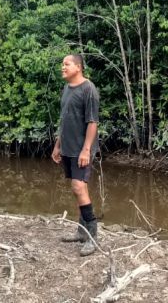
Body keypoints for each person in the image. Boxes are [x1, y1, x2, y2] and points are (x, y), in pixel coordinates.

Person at [51, 54, 101, 257]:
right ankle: (81, 232)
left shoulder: (89, 89)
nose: (63, 67)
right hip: (68, 148)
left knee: (79, 187)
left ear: (78, 67)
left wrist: (86, 150)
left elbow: (92, 122)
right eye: (62, 64)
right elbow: (65, 120)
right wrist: (57, 145)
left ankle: (92, 236)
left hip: (82, 149)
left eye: (67, 64)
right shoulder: (67, 88)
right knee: (77, 189)